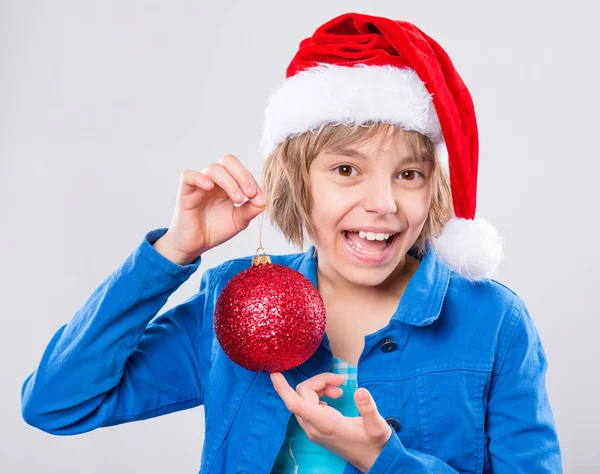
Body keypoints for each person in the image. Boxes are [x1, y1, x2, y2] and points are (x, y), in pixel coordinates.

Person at [20, 11, 563, 474]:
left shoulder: (494, 322)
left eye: (410, 175)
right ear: (297, 182)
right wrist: (173, 254)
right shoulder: (234, 301)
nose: (384, 203)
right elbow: (57, 404)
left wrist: (384, 460)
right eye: (347, 169)